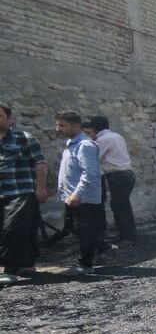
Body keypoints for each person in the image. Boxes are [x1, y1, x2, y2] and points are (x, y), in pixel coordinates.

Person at [0, 102, 48, 285]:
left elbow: (40, 164)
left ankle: (9, 270)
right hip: (1, 193)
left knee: (11, 229)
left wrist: (41, 188)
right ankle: (26, 264)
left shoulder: (25, 138)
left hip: (21, 191)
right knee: (20, 230)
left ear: (9, 118)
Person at [55, 109, 104, 275]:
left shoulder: (85, 145)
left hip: (83, 200)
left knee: (84, 231)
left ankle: (85, 265)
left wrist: (77, 194)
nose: (57, 129)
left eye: (62, 125)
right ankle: (99, 245)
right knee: (75, 228)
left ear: (76, 126)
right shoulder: (72, 145)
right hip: (72, 198)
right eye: (57, 124)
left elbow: (90, 173)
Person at [82, 116, 137, 245]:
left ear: (95, 128)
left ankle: (127, 237)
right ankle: (128, 235)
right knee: (122, 205)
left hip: (117, 175)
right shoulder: (117, 136)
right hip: (127, 173)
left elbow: (94, 157)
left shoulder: (102, 140)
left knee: (120, 206)